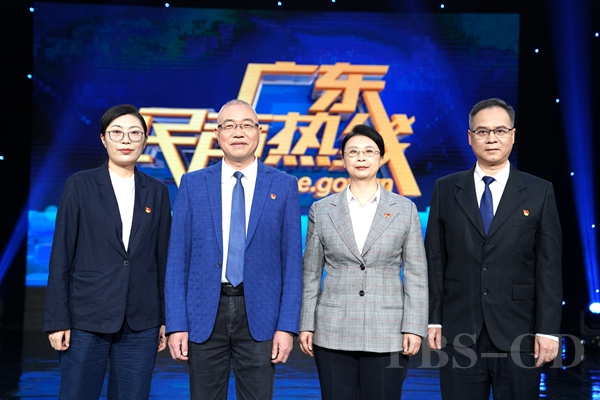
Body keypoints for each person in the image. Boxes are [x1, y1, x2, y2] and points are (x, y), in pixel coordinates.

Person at [426, 98, 563, 399]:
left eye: (500, 130)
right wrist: (433, 318)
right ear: (470, 137)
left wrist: (548, 329)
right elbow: (435, 259)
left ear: (513, 135)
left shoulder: (539, 191)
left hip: (520, 331)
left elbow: (549, 266)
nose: (491, 139)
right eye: (482, 131)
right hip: (460, 329)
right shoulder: (446, 188)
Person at [165, 99, 302, 399]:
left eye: (246, 125)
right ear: (217, 134)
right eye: (229, 126)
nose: (238, 132)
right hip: (203, 314)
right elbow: (177, 261)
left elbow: (292, 263)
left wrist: (287, 327)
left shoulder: (284, 185)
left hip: (261, 317)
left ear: (259, 132)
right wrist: (176, 324)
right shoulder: (192, 184)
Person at [43, 104, 172, 399]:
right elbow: (61, 255)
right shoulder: (80, 185)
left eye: (134, 133)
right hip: (86, 318)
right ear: (103, 139)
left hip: (141, 321)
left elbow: (163, 258)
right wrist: (57, 320)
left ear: (144, 140)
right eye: (117, 132)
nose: (126, 140)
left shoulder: (157, 191)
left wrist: (166, 318)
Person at [298, 124, 429, 400]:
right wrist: (306, 324)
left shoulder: (404, 209)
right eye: (353, 152)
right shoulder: (322, 210)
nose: (361, 158)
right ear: (343, 160)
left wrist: (414, 327)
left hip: (388, 329)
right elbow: (310, 274)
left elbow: (416, 274)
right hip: (332, 329)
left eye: (369, 151)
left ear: (381, 158)